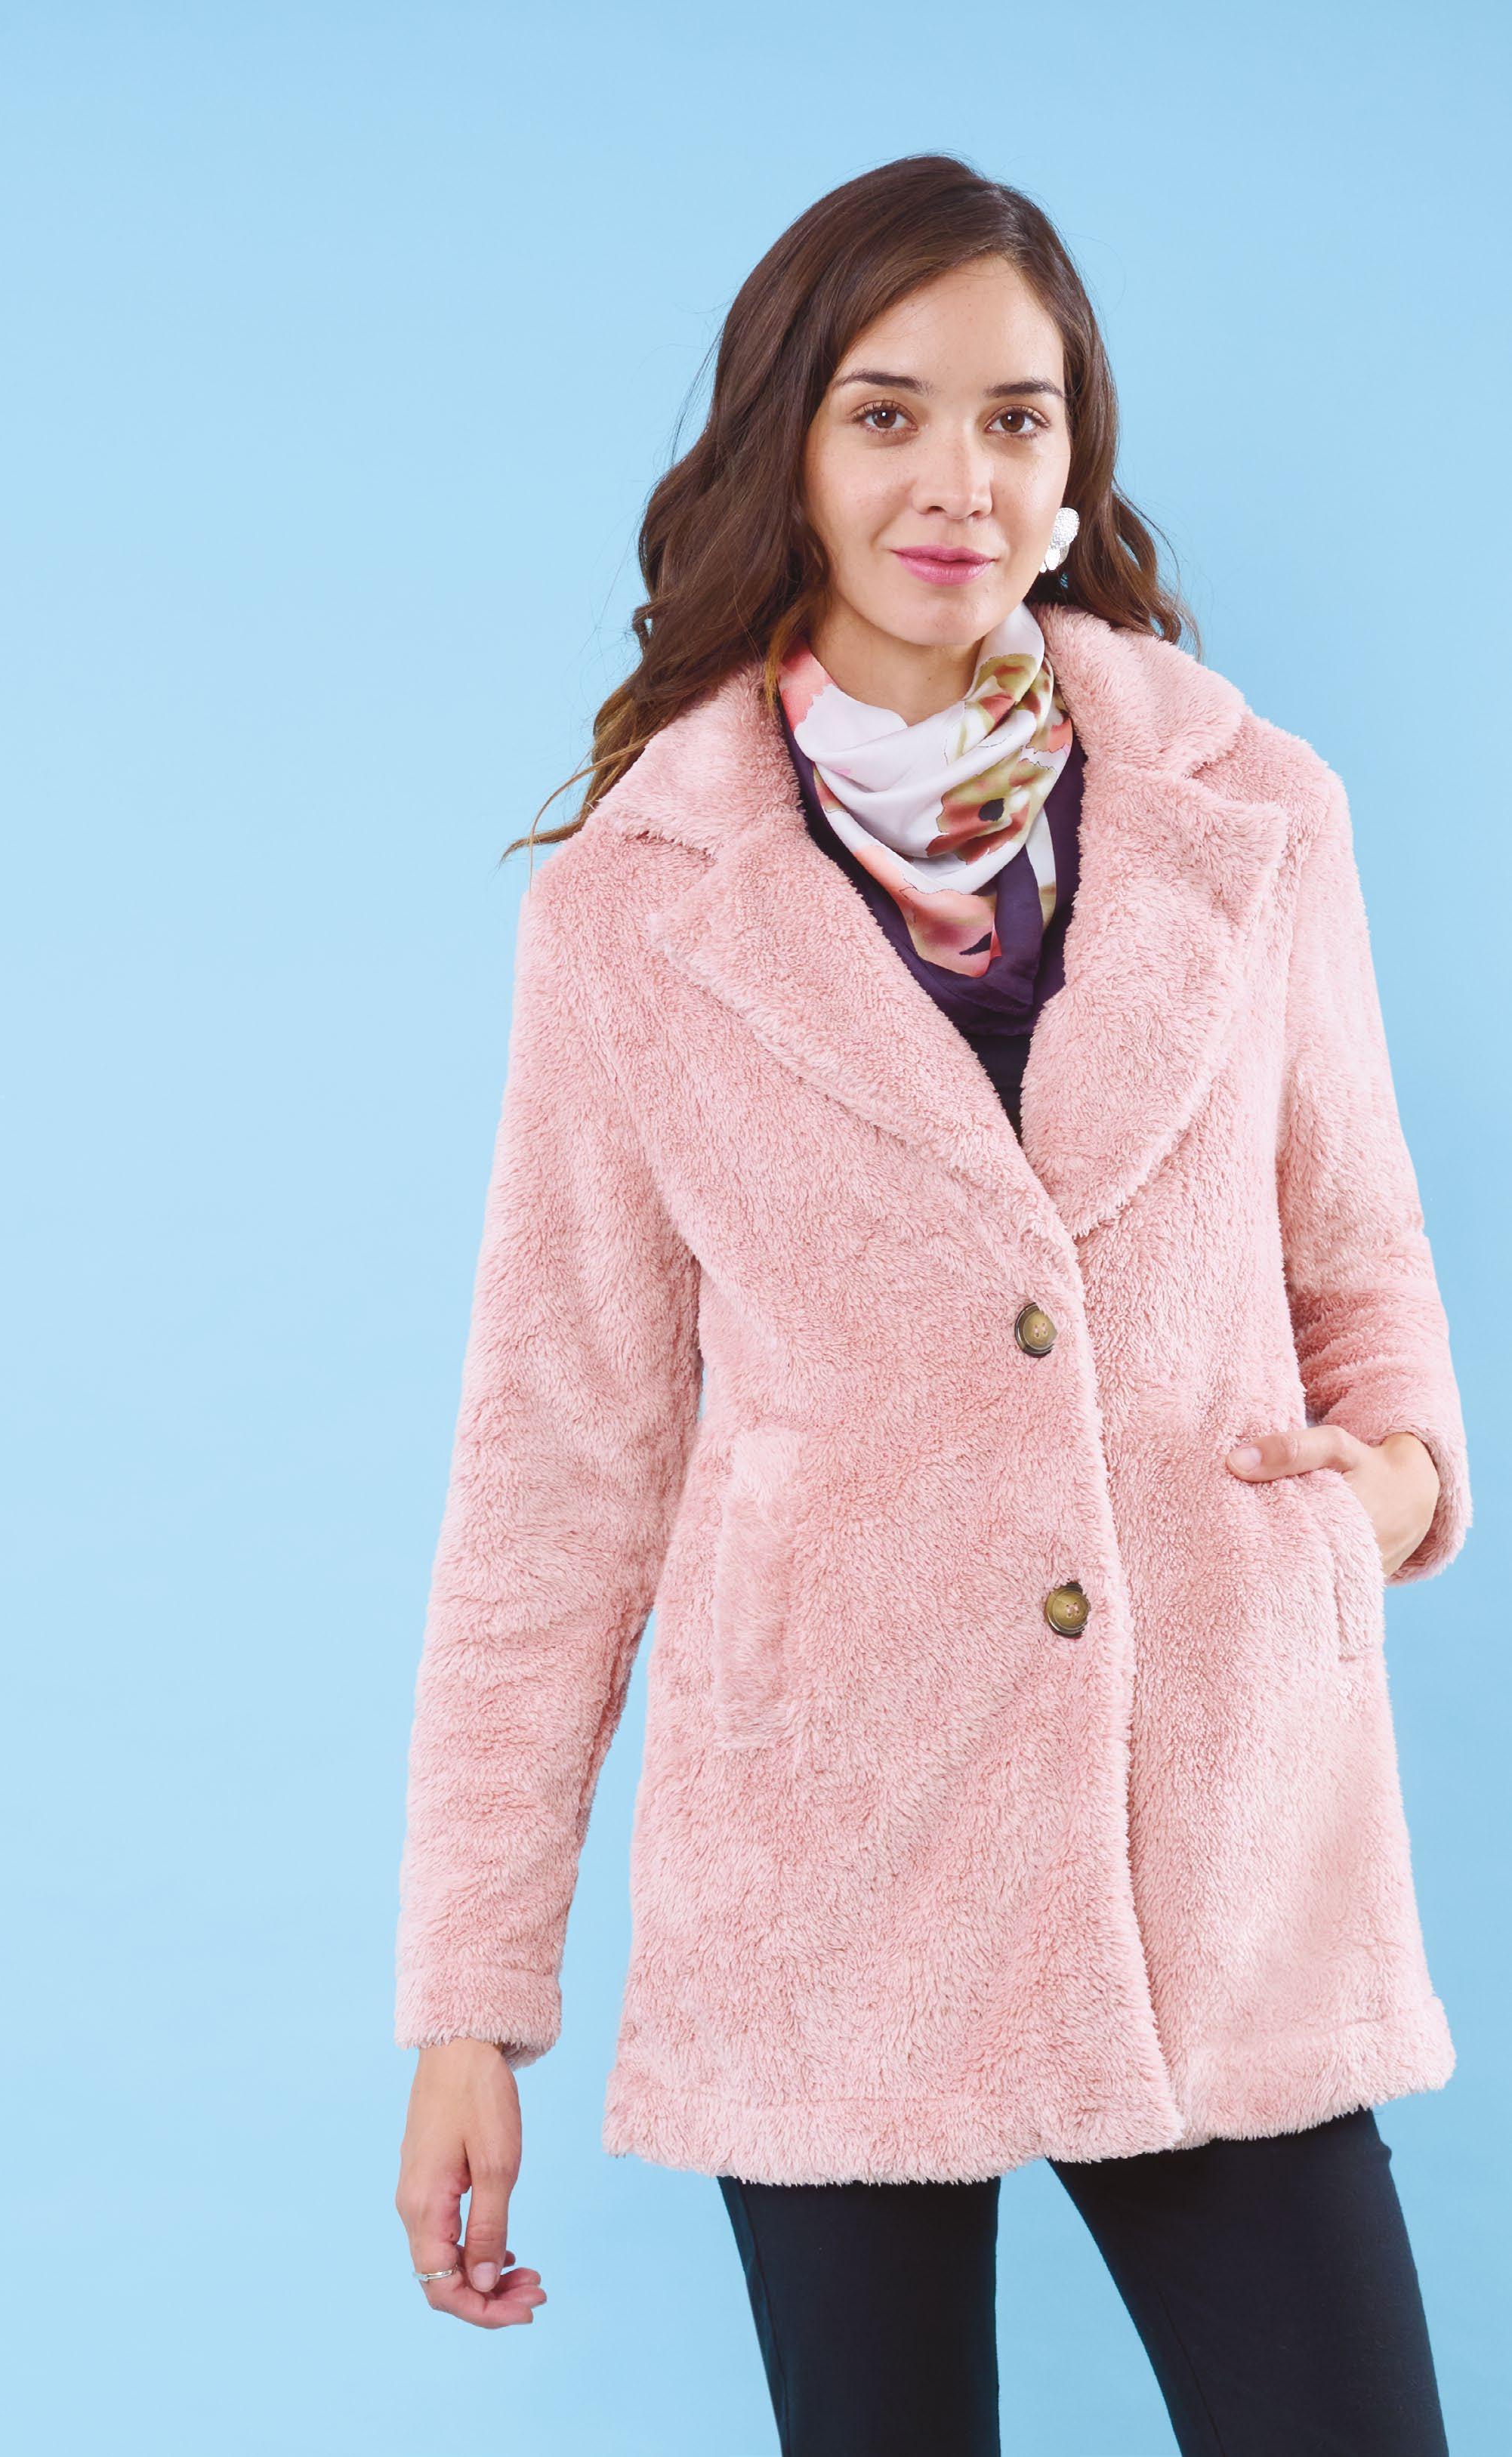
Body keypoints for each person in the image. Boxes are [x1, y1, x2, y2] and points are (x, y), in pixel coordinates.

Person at [390, 154, 1470, 2455]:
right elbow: (559, 1466)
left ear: (1075, 461)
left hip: (1215, 1828)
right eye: (884, 414)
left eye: (1012, 416)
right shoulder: (632, 906)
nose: (953, 480)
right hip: (830, 1853)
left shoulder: (1251, 815)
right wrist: (471, 2002)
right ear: (787, 445)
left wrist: (1378, 1494)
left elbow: (1360, 1261)